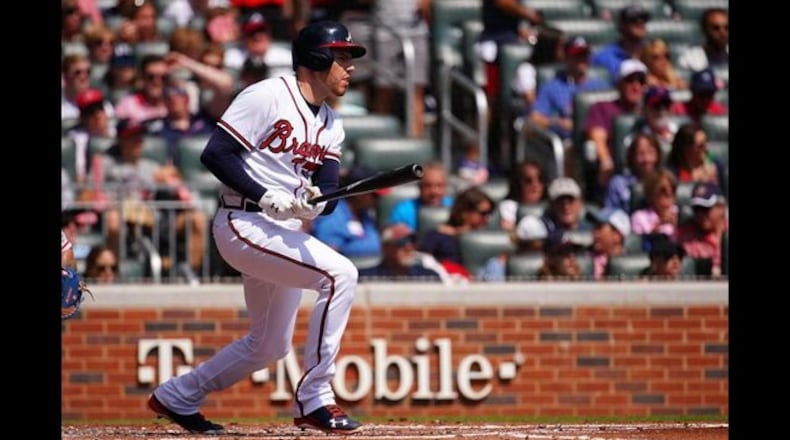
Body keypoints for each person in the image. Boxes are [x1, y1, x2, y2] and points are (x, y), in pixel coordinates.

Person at [147, 21, 368, 435]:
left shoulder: (331, 123)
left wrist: (314, 205)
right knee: (342, 274)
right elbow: (216, 155)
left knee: (269, 345)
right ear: (316, 58)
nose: (349, 67)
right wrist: (267, 194)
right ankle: (315, 397)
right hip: (243, 220)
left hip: (283, 233)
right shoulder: (267, 95)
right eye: (341, 57)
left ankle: (178, 394)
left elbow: (329, 188)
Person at [583, 59, 648, 202]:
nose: (636, 86)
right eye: (630, 80)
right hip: (617, 174)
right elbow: (597, 137)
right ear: (619, 83)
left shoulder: (650, 110)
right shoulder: (602, 108)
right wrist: (606, 160)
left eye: (641, 81)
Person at [416, 186, 495, 280]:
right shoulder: (435, 238)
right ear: (464, 212)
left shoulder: (490, 239)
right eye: (483, 213)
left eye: (490, 213)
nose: (487, 219)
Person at [310, 166, 384, 260]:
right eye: (375, 195)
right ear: (360, 194)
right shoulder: (333, 216)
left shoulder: (365, 214)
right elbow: (328, 256)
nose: (379, 200)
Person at [358, 223, 442, 281]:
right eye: (402, 241)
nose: (409, 247)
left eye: (413, 241)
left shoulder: (428, 277)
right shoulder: (365, 278)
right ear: (385, 247)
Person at [676, 181, 727, 277]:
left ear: (721, 207)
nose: (700, 215)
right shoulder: (686, 235)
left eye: (705, 209)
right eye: (697, 209)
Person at [590, 4, 650, 85]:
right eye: (633, 19)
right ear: (622, 25)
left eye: (644, 19)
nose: (640, 22)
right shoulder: (604, 57)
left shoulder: (654, 55)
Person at [603, 132, 663, 213]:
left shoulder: (665, 182)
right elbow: (610, 213)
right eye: (641, 154)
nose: (647, 159)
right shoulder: (618, 183)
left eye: (651, 153)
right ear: (632, 157)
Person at [386, 161, 452, 231]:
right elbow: (389, 236)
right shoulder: (404, 210)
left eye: (439, 185)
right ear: (420, 187)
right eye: (428, 185)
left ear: (446, 186)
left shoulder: (453, 208)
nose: (434, 191)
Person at [496, 159, 547, 231]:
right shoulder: (509, 206)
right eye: (528, 180)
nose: (535, 184)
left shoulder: (550, 206)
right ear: (518, 184)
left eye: (540, 179)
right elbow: (508, 230)